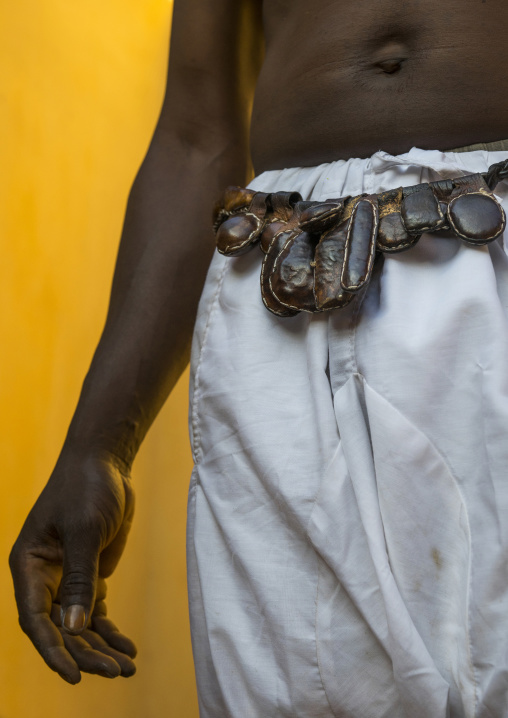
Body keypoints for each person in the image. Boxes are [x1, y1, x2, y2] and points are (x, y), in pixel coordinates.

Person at [9, 0, 508, 715]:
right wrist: (99, 447)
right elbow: (195, 141)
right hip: (280, 283)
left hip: (493, 240)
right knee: (295, 688)